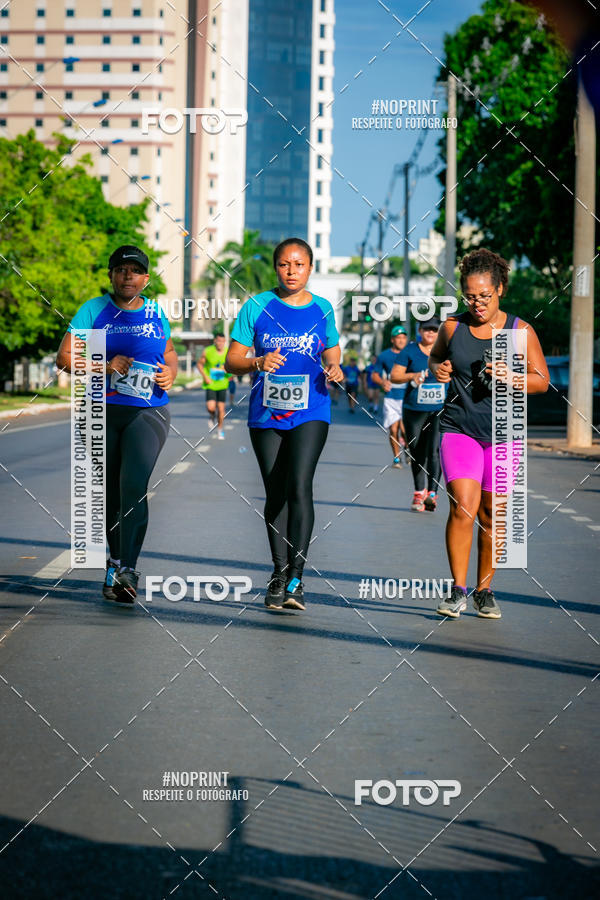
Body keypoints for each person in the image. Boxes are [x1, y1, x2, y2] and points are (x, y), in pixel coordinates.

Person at [429, 248, 549, 620]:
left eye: (484, 295)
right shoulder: (453, 327)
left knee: (493, 515)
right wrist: (439, 368)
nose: (477, 303)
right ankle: (457, 589)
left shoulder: (520, 331)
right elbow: (435, 358)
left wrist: (513, 377)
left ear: (499, 289)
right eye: (470, 295)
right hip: (459, 427)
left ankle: (484, 590)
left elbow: (542, 381)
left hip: (504, 432)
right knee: (463, 505)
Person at [225, 237, 343, 611]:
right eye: (284, 264)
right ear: (276, 267)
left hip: (312, 409)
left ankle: (297, 578)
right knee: (276, 493)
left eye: (299, 265)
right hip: (266, 413)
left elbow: (333, 353)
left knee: (299, 485)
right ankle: (278, 572)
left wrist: (335, 367)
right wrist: (257, 362)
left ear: (310, 268)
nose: (291, 271)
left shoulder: (323, 308)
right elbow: (232, 361)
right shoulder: (256, 306)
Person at [56, 245, 177, 603]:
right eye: (121, 269)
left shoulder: (156, 312)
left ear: (146, 278)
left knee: (133, 485)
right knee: (110, 492)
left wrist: (170, 373)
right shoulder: (94, 310)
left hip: (148, 410)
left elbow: (168, 354)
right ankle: (114, 559)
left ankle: (128, 569)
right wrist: (103, 365)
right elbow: (63, 358)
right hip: (101, 411)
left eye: (135, 270)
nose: (128, 276)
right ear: (111, 275)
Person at [391, 318, 445, 512]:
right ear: (420, 331)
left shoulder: (447, 350)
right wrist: (412, 376)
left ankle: (432, 493)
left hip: (440, 408)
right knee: (416, 450)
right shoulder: (410, 351)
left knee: (434, 450)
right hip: (414, 409)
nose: (431, 332)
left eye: (435, 329)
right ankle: (418, 490)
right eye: (427, 329)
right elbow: (394, 376)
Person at [372, 325, 408, 467]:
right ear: (393, 340)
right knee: (393, 429)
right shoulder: (384, 356)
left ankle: (408, 448)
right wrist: (382, 382)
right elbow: (375, 375)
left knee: (405, 430)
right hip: (391, 396)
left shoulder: (410, 353)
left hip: (407, 397)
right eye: (398, 337)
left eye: (404, 337)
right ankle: (397, 457)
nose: (401, 340)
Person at [197, 332, 231, 439]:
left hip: (222, 384)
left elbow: (233, 366)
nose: (220, 343)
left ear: (225, 342)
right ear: (215, 341)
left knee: (221, 409)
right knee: (211, 407)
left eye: (222, 341)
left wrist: (229, 372)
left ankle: (220, 429)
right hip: (210, 384)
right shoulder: (208, 351)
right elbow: (199, 364)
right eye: (218, 341)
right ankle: (211, 416)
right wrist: (205, 377)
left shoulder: (228, 352)